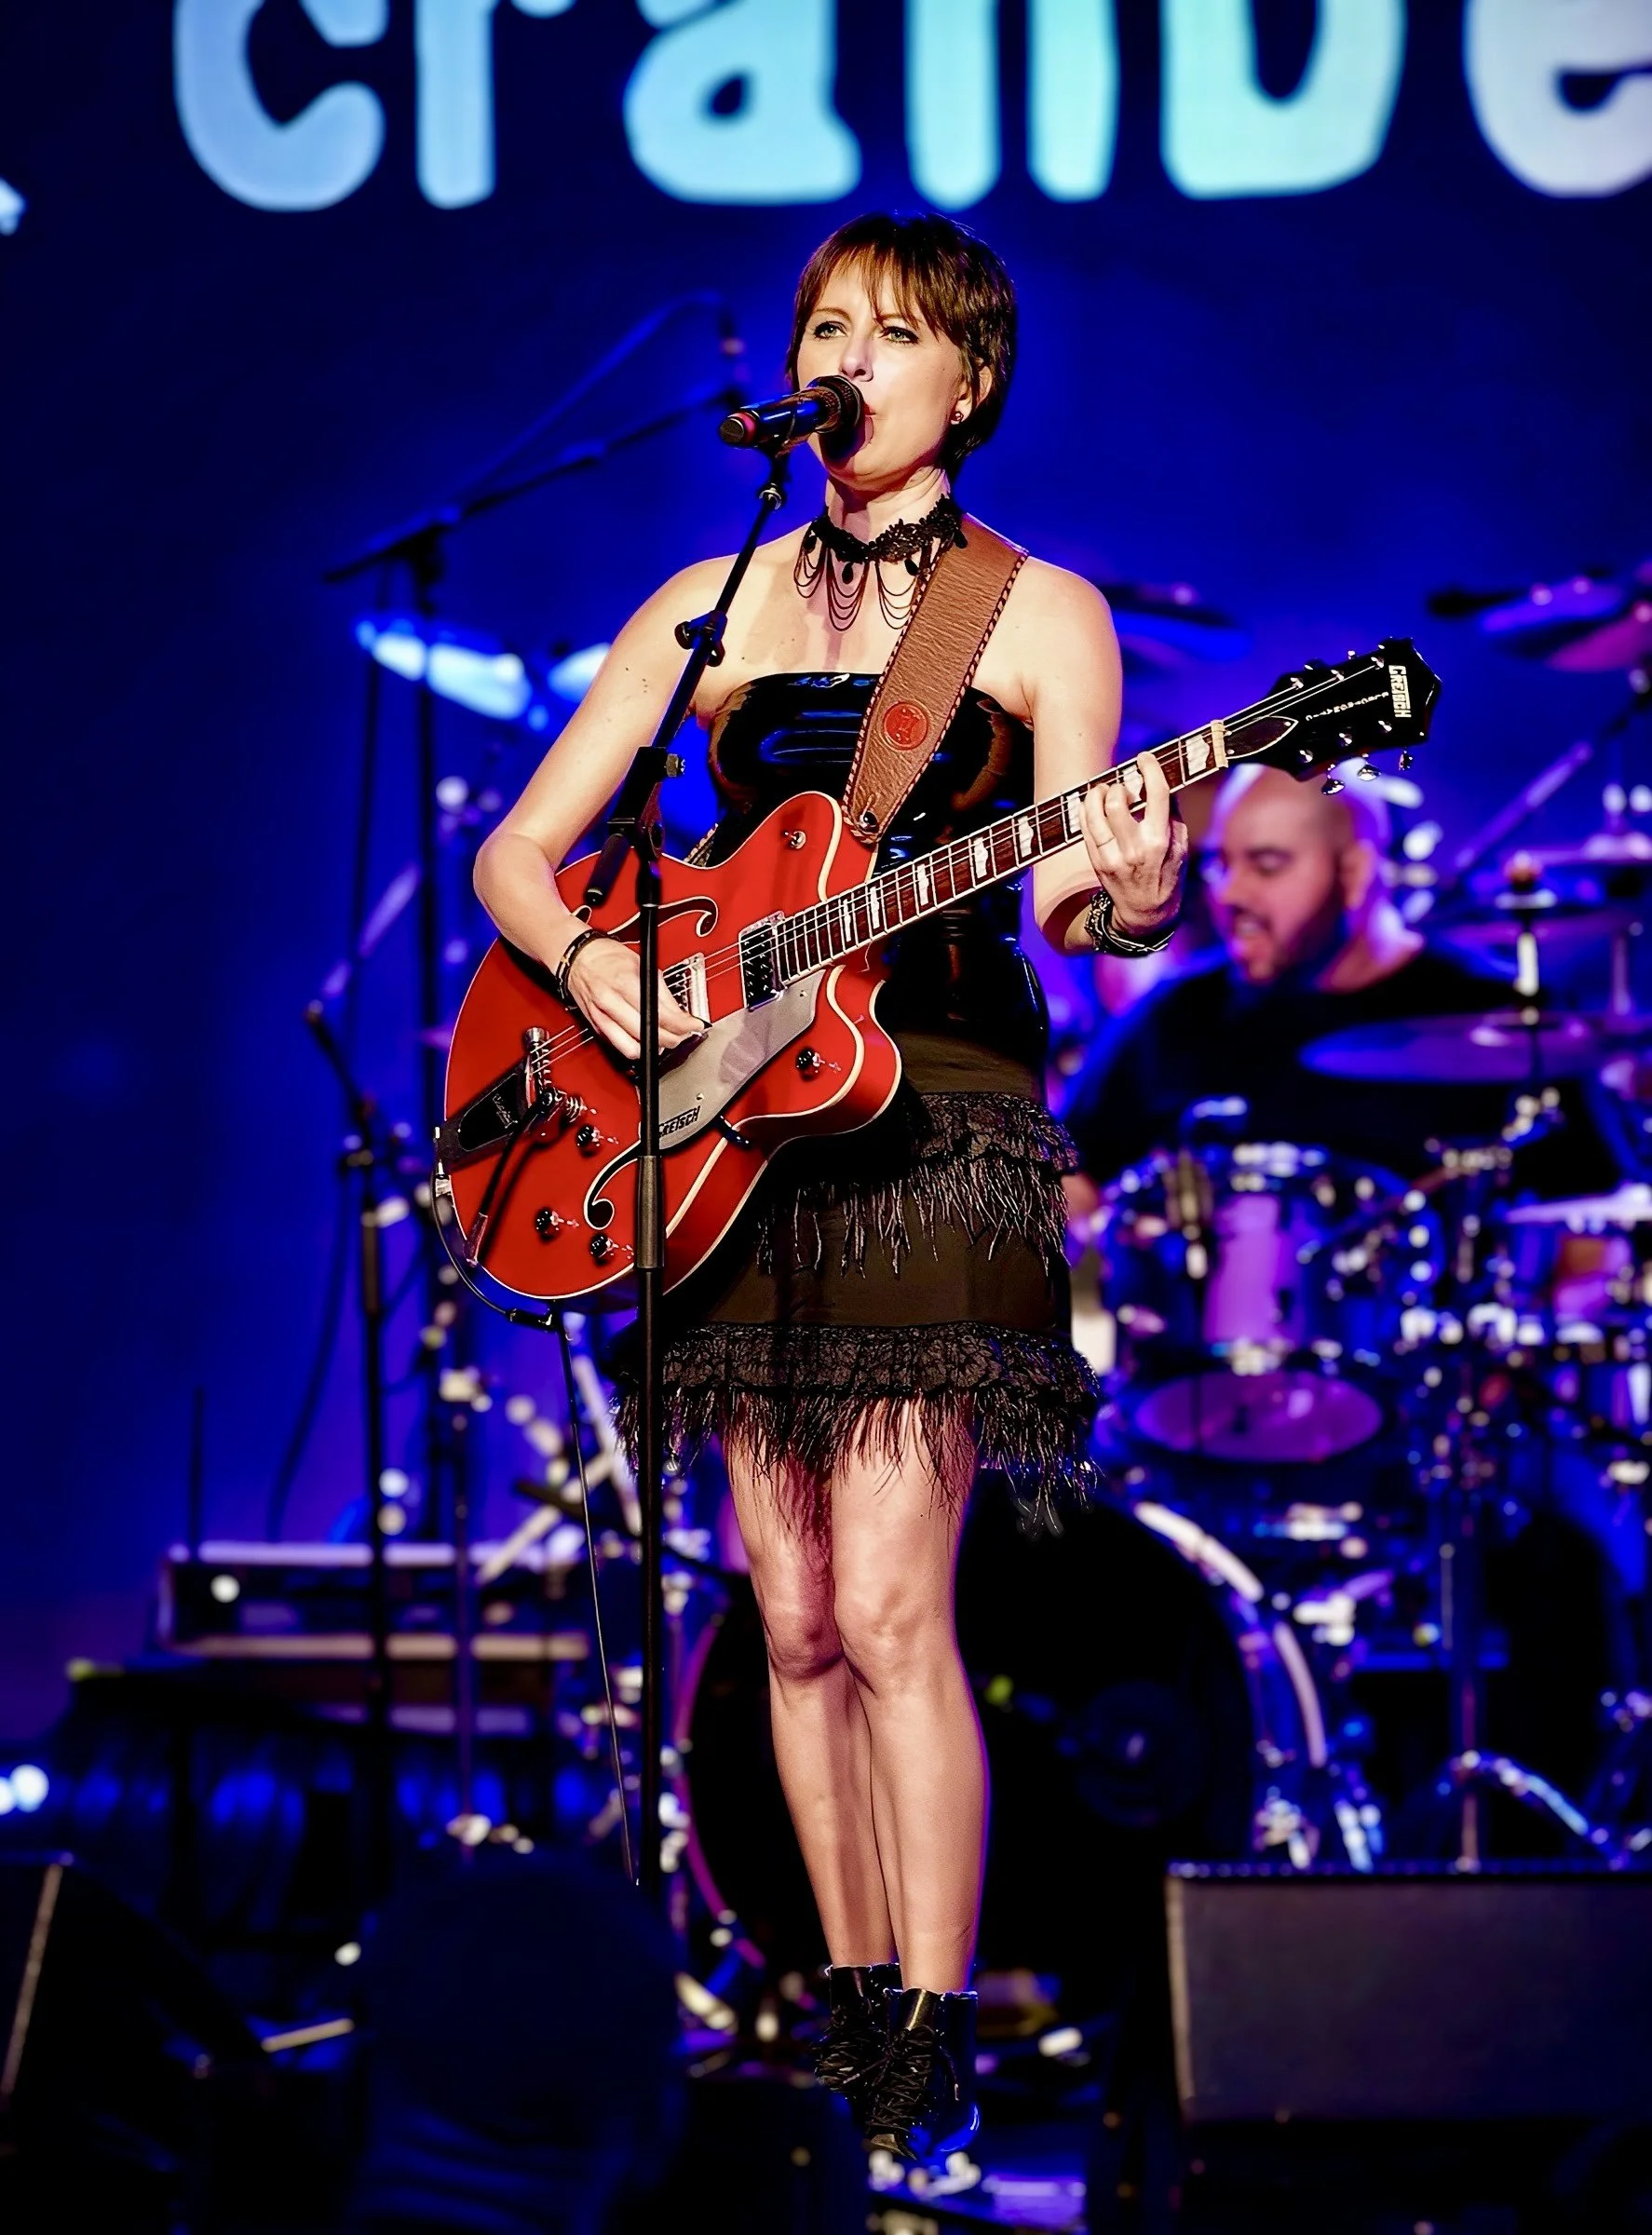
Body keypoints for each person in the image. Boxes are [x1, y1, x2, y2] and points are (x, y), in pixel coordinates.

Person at [474, 211, 1186, 2164]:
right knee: (782, 1617)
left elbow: (1071, 898)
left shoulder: (1034, 612)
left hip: (926, 1118)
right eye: (821, 326)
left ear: (969, 379)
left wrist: (1132, 888)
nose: (843, 357)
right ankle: (851, 2013)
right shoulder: (707, 606)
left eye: (886, 331)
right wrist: (590, 962)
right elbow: (519, 855)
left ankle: (934, 2050)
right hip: (727, 1133)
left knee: (884, 1602)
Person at [1066, 760, 1622, 1196]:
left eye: (1267, 864)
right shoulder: (1175, 1015)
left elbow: (1591, 1242)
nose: (1229, 893)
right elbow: (1073, 1186)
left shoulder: (1503, 1016)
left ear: (1356, 872)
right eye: (1220, 864)